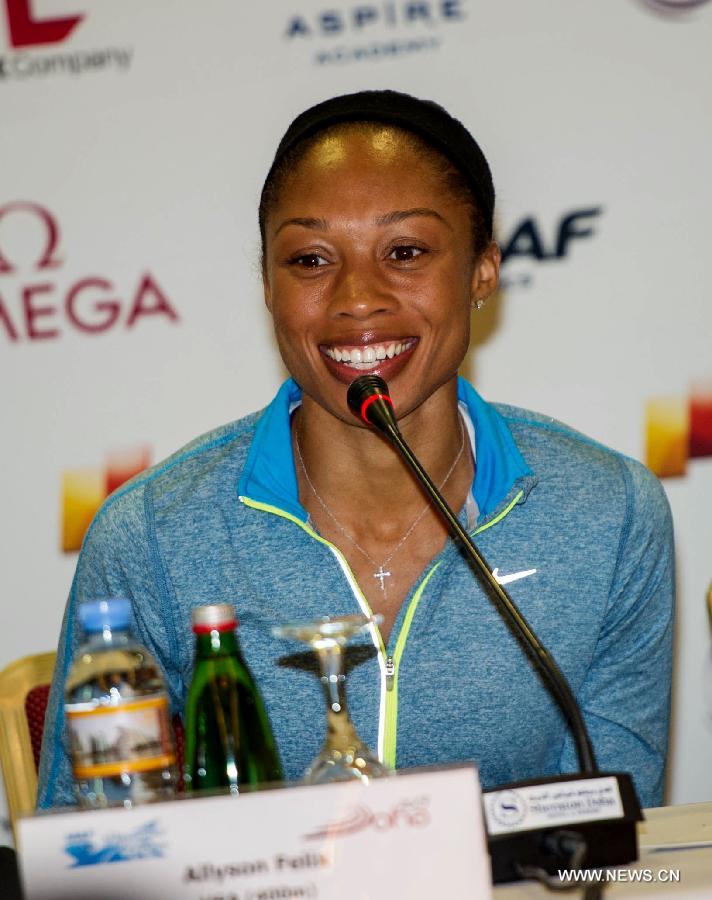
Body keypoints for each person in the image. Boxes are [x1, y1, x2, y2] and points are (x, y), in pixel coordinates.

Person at [38, 90, 674, 811]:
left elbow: (621, 831)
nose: (357, 297)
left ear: (483, 271)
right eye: (310, 259)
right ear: (268, 286)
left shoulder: (609, 511)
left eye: (405, 252)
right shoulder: (151, 534)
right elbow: (90, 849)